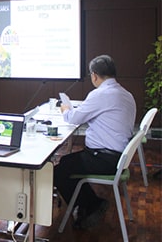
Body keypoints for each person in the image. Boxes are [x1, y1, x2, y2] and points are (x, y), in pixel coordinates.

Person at [54, 55, 136, 229]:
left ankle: (91, 205)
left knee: (59, 172)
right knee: (67, 163)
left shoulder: (100, 94)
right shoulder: (126, 94)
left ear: (94, 75)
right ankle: (87, 204)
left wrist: (65, 109)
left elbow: (73, 118)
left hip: (104, 159)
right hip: (117, 157)